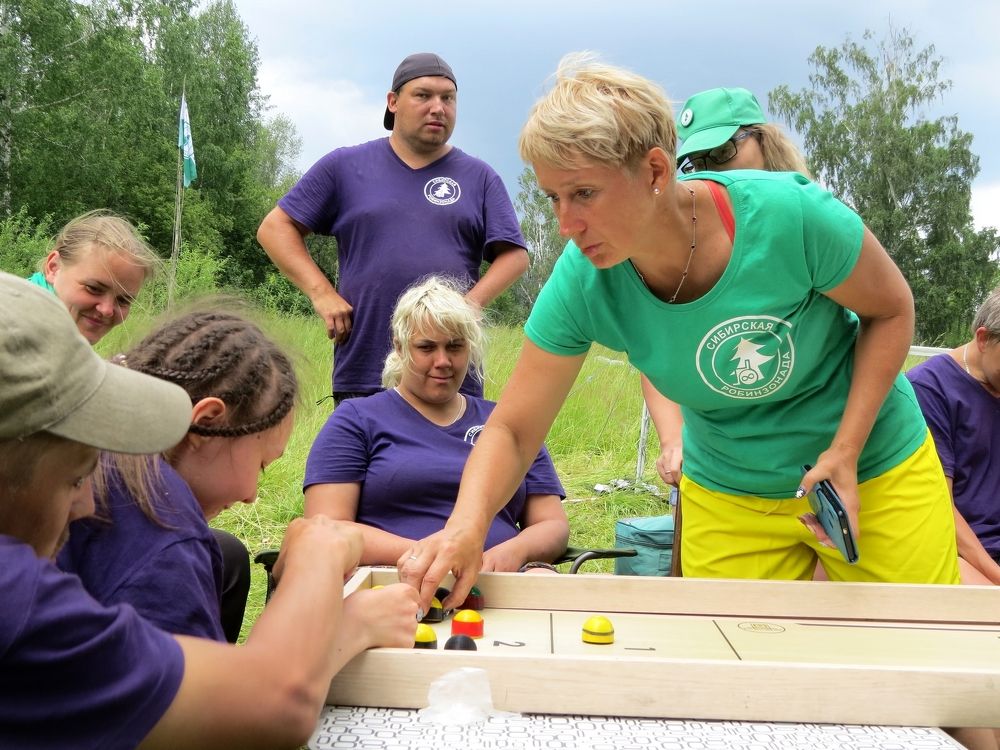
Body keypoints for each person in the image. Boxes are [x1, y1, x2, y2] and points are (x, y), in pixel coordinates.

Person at [399, 53, 960, 612]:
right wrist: (466, 526)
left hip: (870, 468)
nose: (566, 225)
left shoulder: (792, 216)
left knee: (921, 638)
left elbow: (891, 310)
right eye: (553, 198)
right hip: (729, 488)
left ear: (655, 171)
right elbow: (515, 429)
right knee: (732, 657)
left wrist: (847, 450)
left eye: (584, 193)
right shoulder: (582, 280)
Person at [0, 272, 420, 749]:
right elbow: (259, 714)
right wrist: (321, 560)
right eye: (75, 477)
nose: (86, 502)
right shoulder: (152, 543)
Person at [257, 52, 529, 405]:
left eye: (448, 98)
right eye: (423, 95)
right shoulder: (345, 167)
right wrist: (321, 293)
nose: (438, 107)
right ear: (393, 102)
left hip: (450, 377)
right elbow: (275, 228)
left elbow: (514, 256)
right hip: (364, 369)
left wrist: (470, 306)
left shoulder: (480, 177)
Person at [58, 306, 298, 642]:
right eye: (261, 465)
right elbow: (198, 678)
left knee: (228, 552)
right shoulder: (166, 539)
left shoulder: (106, 447)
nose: (251, 495)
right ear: (207, 423)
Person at [304, 276, 569, 571]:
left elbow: (552, 524)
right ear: (400, 348)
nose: (443, 361)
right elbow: (326, 528)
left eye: (455, 347)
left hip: (499, 579)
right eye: (427, 347)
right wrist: (438, 555)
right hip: (392, 581)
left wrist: (515, 551)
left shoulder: (506, 423)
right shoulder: (356, 420)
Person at [644, 87, 812, 490]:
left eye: (723, 152)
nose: (711, 172)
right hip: (720, 469)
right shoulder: (686, 249)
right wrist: (673, 439)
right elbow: (657, 352)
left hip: (817, 459)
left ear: (765, 142)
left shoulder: (811, 222)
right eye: (697, 162)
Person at [907, 286, 1000, 585]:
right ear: (984, 338)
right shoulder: (928, 389)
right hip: (961, 551)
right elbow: (939, 506)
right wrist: (995, 576)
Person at [27, 209, 161, 344]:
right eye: (93, 288)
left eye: (123, 300)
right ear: (54, 267)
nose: (106, 310)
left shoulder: (57, 340)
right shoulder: (22, 330)